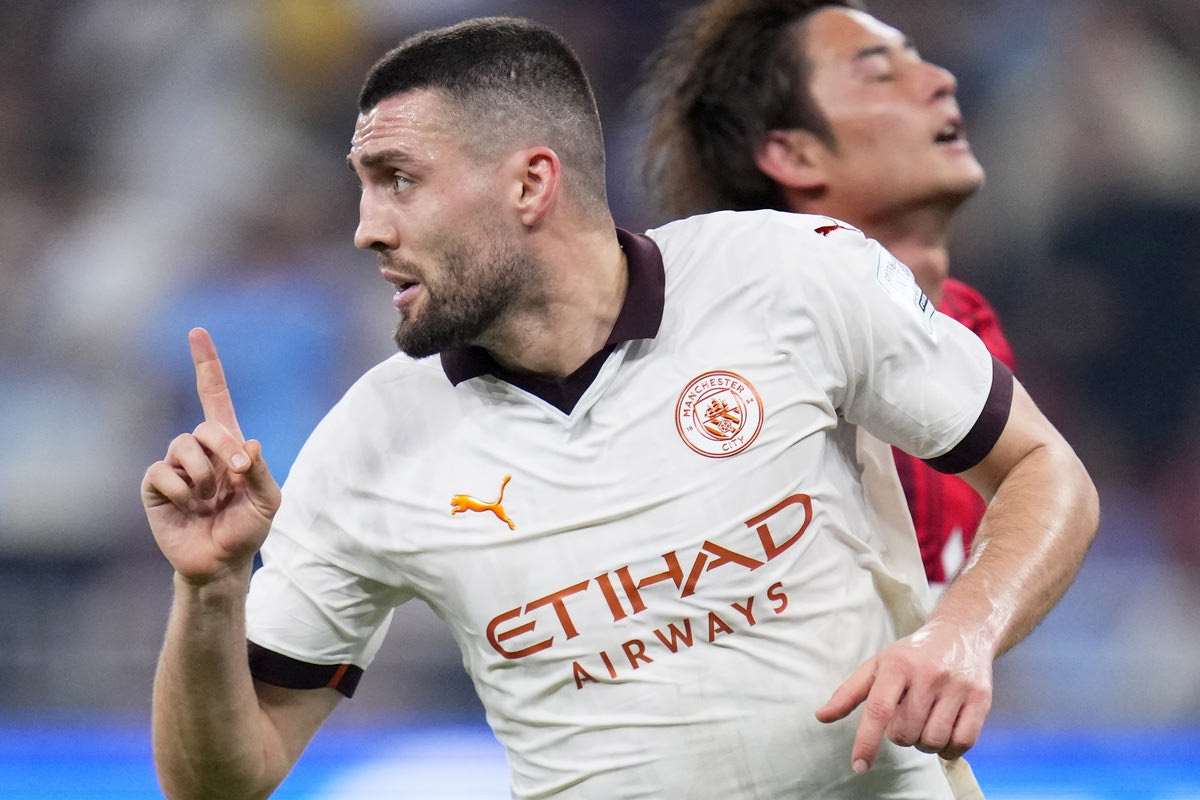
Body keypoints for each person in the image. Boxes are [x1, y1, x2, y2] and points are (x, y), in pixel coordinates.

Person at [141, 16, 1098, 800]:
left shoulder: (787, 275)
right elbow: (221, 781)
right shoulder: (366, 445)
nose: (366, 228)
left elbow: (1044, 470)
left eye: (399, 180)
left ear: (530, 183)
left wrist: (963, 630)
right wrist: (210, 591)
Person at [639, 0, 1017, 587]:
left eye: (917, 59)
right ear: (795, 155)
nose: (941, 80)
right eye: (881, 74)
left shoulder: (967, 323)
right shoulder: (744, 361)